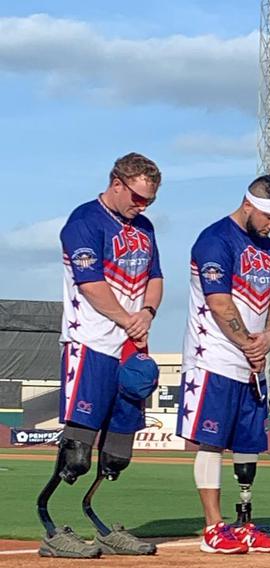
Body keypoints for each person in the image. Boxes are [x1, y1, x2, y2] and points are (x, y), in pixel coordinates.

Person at [37, 153, 163, 558]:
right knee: (78, 451)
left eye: (149, 201)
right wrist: (128, 318)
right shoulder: (85, 222)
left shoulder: (143, 228)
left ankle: (100, 521)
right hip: (90, 343)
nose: (142, 207)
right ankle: (52, 527)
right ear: (117, 183)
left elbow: (156, 278)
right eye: (139, 198)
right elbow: (90, 284)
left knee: (117, 454)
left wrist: (146, 313)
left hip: (130, 347)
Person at [177, 174, 270, 554]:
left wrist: (268, 341)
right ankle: (213, 526)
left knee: (247, 444)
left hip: (251, 364)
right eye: (269, 218)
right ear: (249, 205)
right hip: (215, 359)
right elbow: (219, 301)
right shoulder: (215, 240)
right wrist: (247, 343)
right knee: (211, 443)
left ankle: (243, 523)